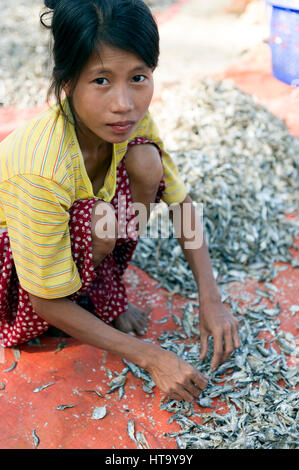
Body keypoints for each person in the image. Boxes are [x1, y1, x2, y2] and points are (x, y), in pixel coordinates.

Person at [0, 0, 240, 403]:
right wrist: (151, 357)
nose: (124, 102)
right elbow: (43, 297)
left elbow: (181, 205)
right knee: (98, 220)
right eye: (101, 81)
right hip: (19, 280)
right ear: (67, 81)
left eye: (138, 77)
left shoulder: (128, 121)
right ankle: (88, 309)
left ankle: (99, 296)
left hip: (77, 257)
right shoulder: (40, 168)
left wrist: (211, 299)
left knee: (146, 162)